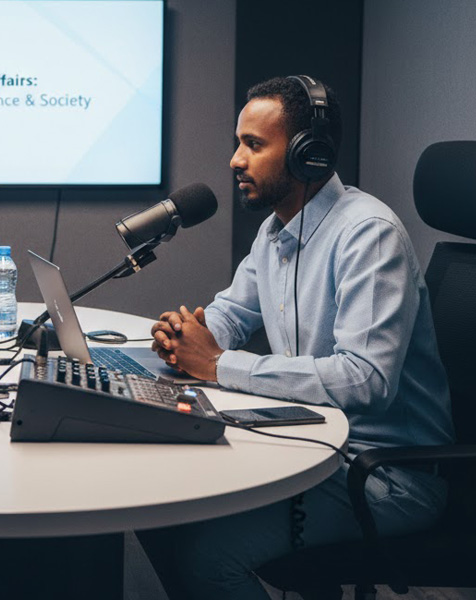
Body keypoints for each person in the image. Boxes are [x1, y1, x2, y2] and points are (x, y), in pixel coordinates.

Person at [138, 76, 454, 599]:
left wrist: (216, 364)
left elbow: (366, 379)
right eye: (238, 143)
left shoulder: (368, 235)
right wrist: (190, 336)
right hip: (314, 445)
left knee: (206, 556)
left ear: (310, 153)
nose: (235, 160)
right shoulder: (277, 231)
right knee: (158, 508)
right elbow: (233, 311)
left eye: (254, 144)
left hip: (384, 475)